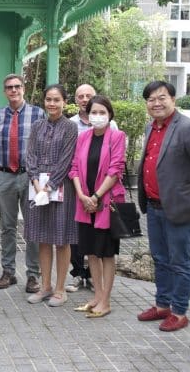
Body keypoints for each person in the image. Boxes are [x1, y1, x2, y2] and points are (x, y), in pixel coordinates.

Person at [136, 81, 190, 332]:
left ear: (173, 99)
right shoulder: (150, 127)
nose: (156, 103)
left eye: (161, 98)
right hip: (153, 206)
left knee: (180, 261)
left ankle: (179, 311)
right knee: (160, 258)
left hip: (178, 208)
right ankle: (162, 304)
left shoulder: (187, 128)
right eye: (151, 99)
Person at [69, 95, 127, 318]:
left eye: (102, 112)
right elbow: (74, 168)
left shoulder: (117, 136)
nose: (98, 116)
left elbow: (116, 169)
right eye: (94, 112)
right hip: (85, 203)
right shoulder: (83, 137)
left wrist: (96, 196)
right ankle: (97, 297)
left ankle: (106, 301)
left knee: (106, 253)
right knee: (91, 252)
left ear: (109, 114)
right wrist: (82, 195)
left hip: (106, 203)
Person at [24, 84, 78, 306]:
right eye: (48, 99)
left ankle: (60, 289)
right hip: (37, 187)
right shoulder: (37, 126)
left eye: (57, 100)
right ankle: (45, 286)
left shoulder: (70, 127)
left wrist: (49, 187)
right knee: (43, 238)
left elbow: (66, 160)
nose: (52, 103)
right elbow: (30, 155)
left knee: (61, 240)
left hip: (61, 187)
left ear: (64, 102)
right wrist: (36, 184)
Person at [0, 74, 45, 293]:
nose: (13, 90)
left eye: (17, 86)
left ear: (23, 88)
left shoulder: (38, 113)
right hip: (4, 176)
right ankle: (8, 272)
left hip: (30, 176)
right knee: (7, 227)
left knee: (32, 227)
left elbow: (43, 145)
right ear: (4, 91)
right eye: (9, 87)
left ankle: (33, 275)